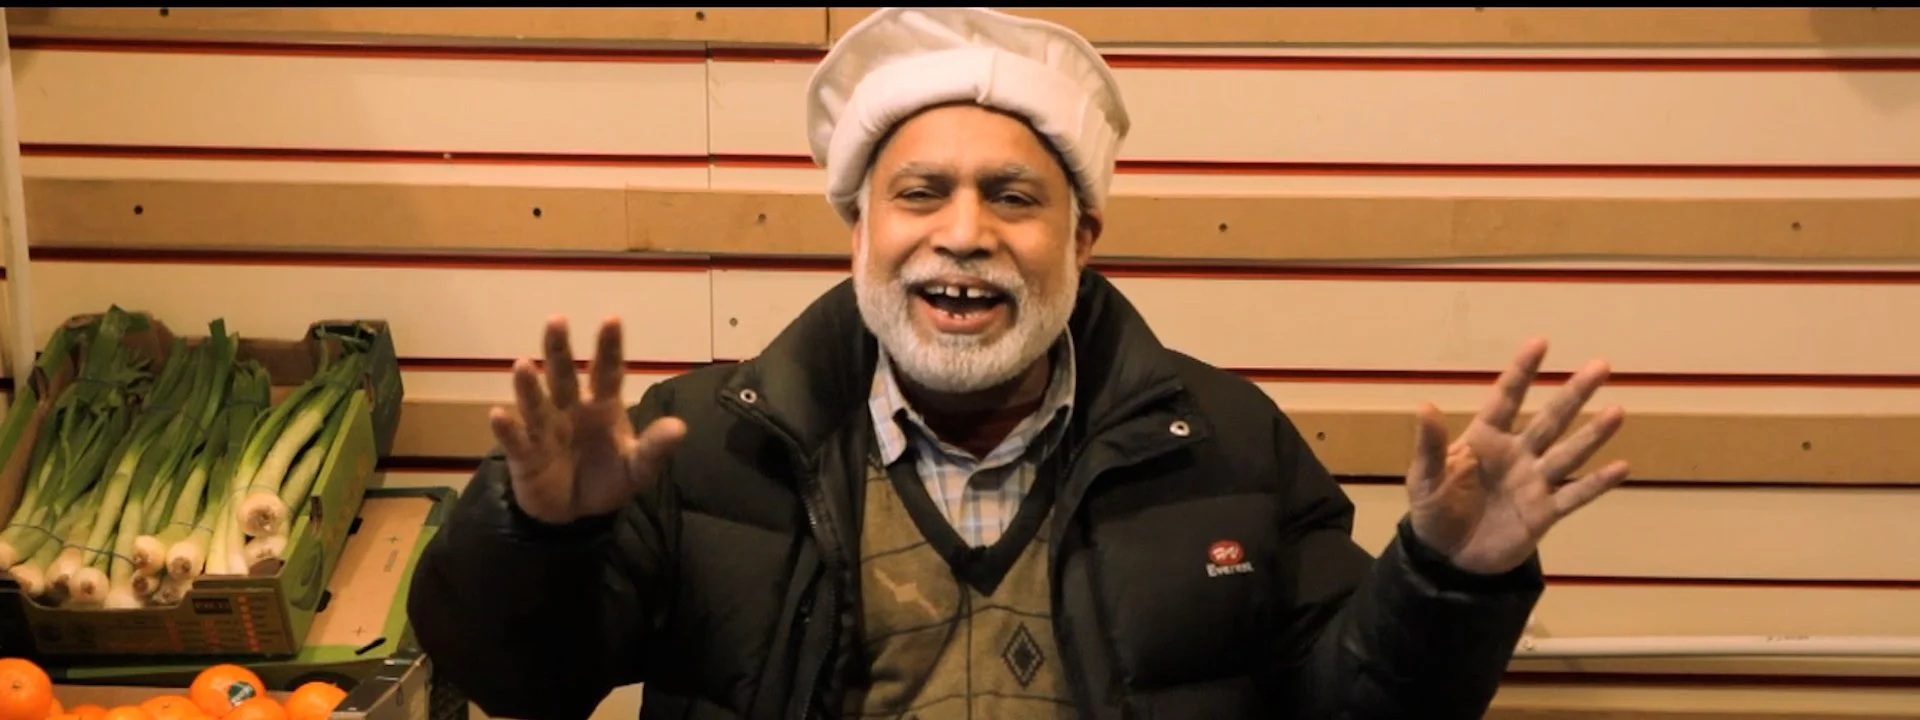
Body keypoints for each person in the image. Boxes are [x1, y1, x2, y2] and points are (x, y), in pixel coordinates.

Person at [406, 7, 1632, 719]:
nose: (964, 233)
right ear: (860, 230)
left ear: (1084, 237)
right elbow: (517, 680)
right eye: (921, 193)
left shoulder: (1228, 443)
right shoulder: (701, 449)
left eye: (1014, 198)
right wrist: (539, 535)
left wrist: (1444, 581)